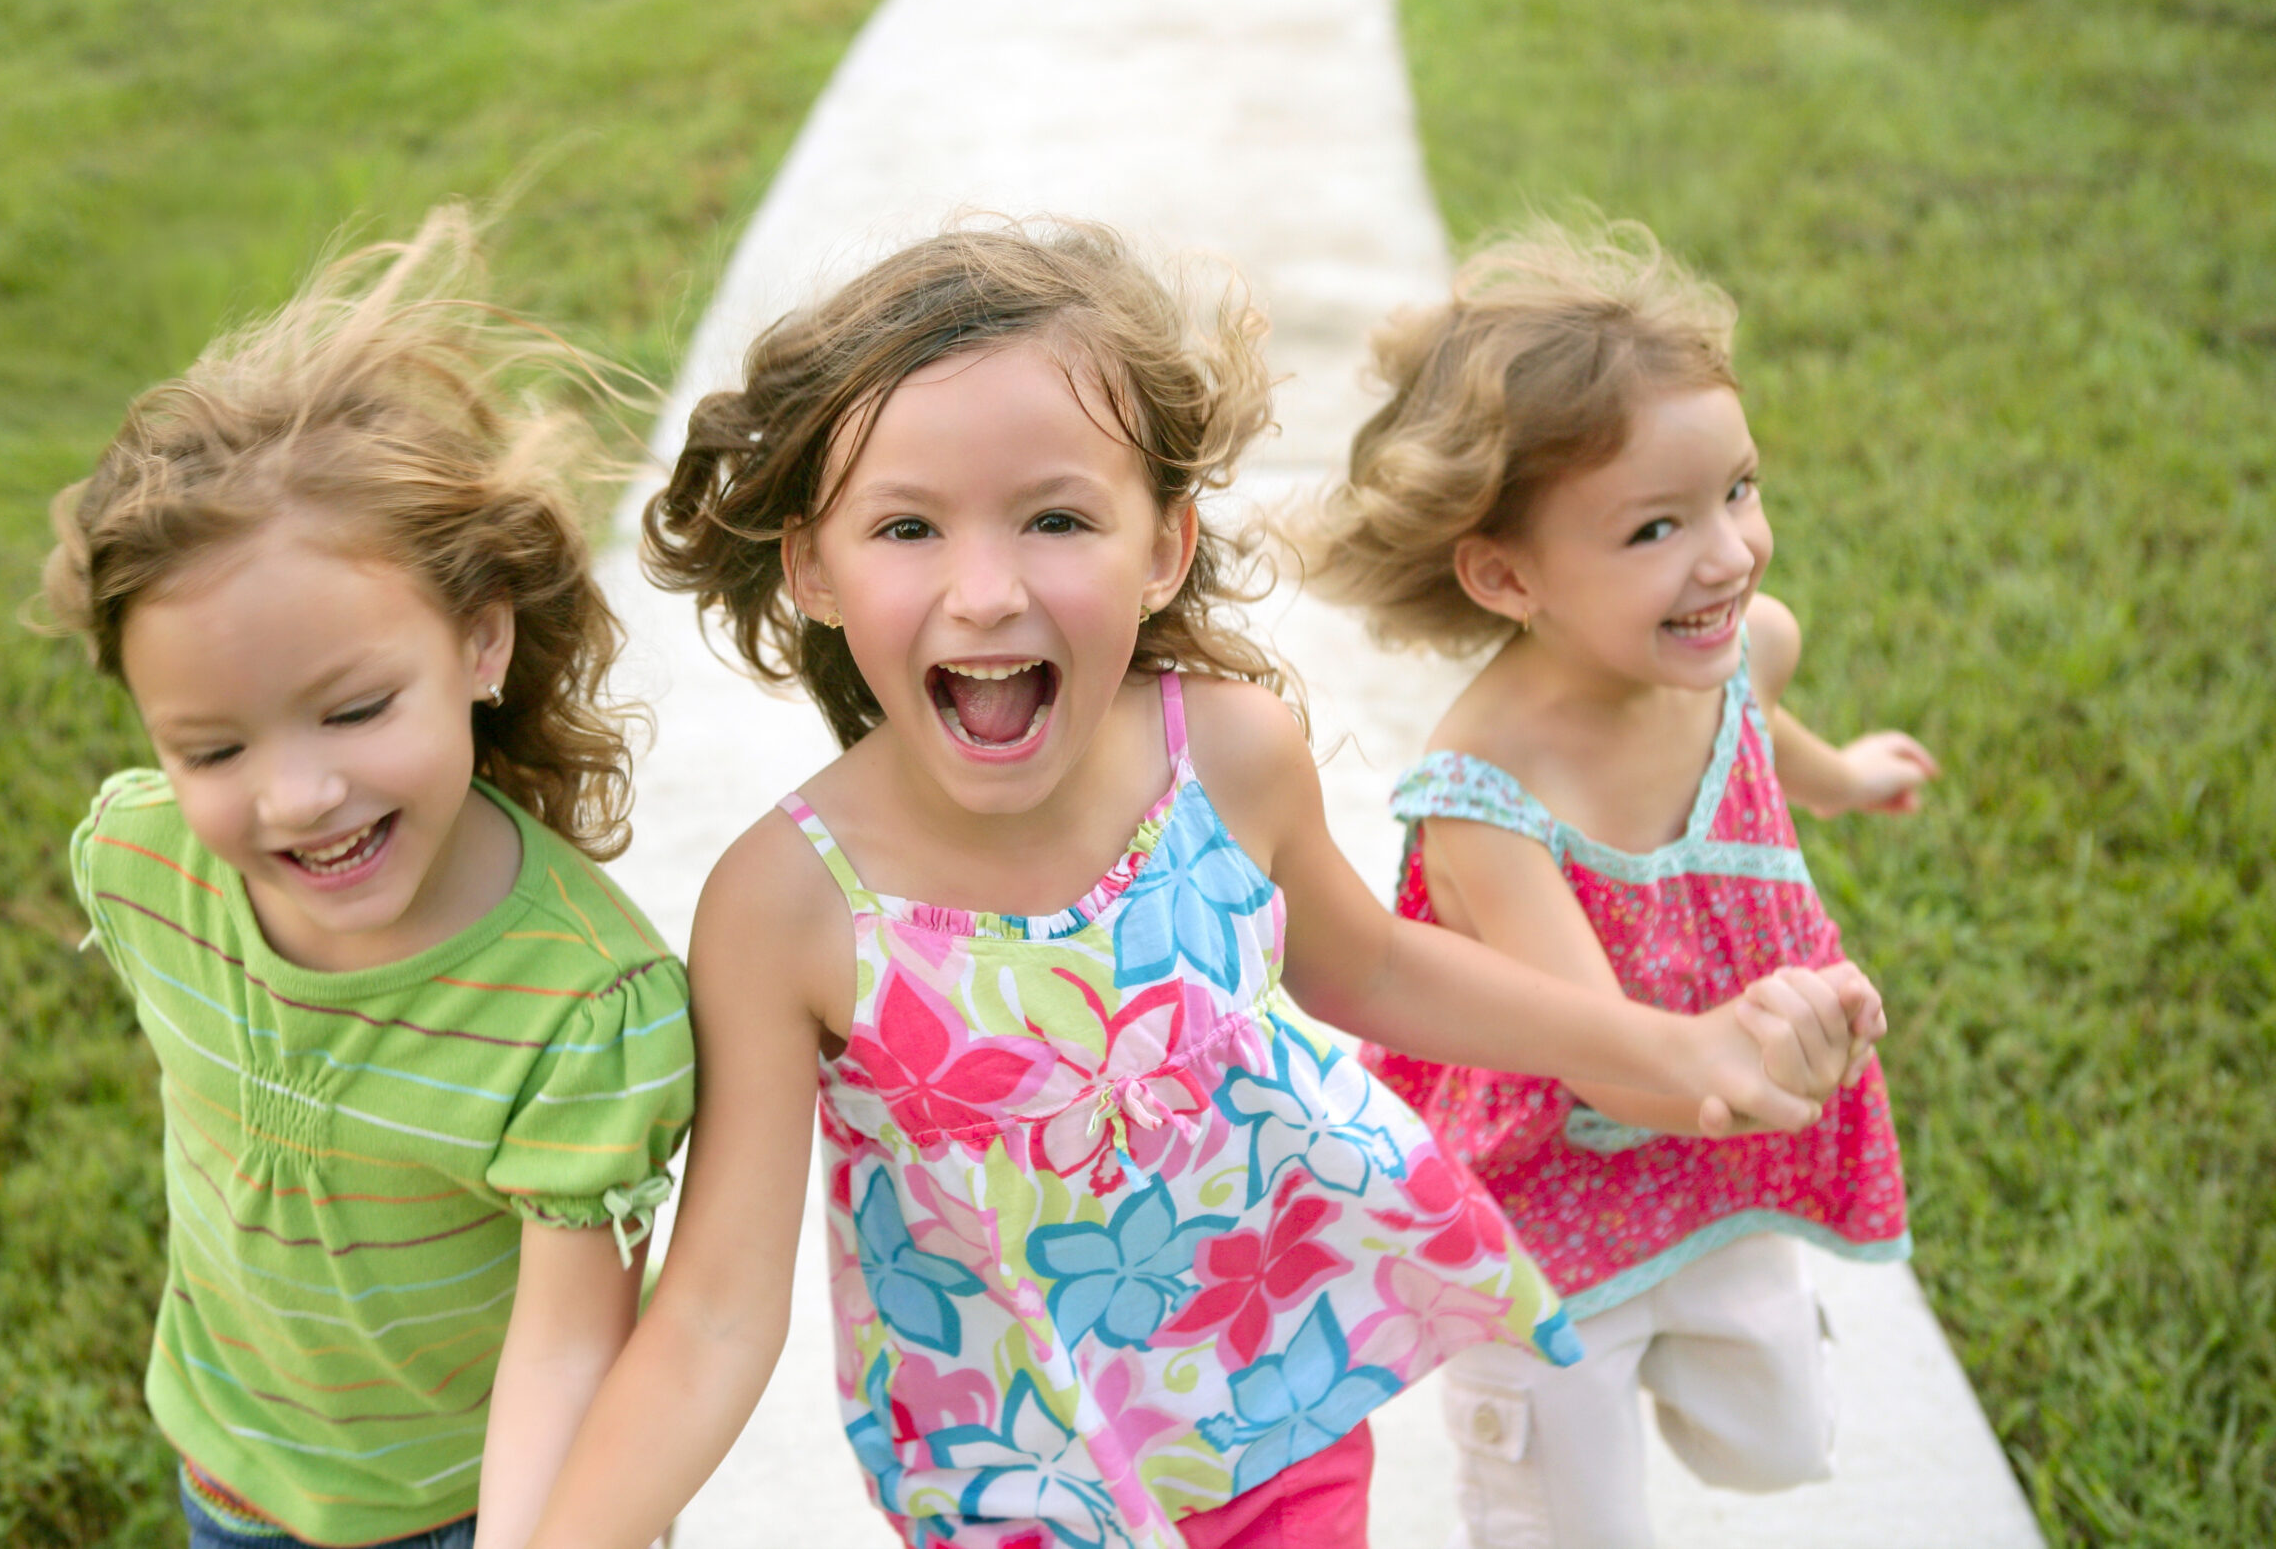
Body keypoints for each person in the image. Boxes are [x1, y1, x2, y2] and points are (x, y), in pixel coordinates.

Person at [511, 219, 1882, 1549]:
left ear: (1162, 544)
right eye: (908, 529)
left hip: (1282, 1397)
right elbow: (709, 1318)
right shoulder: (788, 906)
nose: (985, 592)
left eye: (1055, 517)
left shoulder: (1220, 754)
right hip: (1007, 1478)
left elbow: (1377, 966)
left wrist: (1675, 1049)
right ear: (812, 564)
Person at [39, 209, 693, 1549]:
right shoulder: (144, 863)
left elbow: (571, 1354)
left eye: (351, 710)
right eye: (211, 745)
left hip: (480, 1511)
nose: (295, 796)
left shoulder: (585, 1006)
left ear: (480, 642)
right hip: (233, 1482)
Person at [1298, 218, 1933, 1549]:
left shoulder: (1742, 646)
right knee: (1566, 1515)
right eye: (1656, 527)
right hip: (1548, 1215)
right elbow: (1600, 1064)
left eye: (1739, 490)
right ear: (1505, 573)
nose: (1728, 552)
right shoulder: (1486, 793)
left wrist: (1851, 778)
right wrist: (1760, 1069)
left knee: (1782, 1439)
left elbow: (1773, 739)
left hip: (1714, 1171)